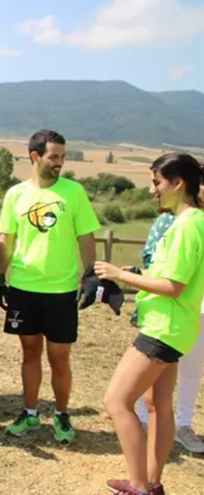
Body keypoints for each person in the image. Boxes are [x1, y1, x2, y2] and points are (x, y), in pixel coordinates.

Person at [98, 153, 204, 495]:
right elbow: (170, 275)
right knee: (156, 405)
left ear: (178, 183)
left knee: (116, 402)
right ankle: (153, 482)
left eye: (157, 182)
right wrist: (138, 274)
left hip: (163, 329)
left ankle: (138, 486)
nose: (152, 190)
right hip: (175, 327)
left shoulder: (187, 226)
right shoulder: (192, 222)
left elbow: (175, 286)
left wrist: (118, 276)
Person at [0, 129, 100, 445]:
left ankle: (62, 414)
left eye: (63, 157)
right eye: (54, 156)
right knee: (29, 353)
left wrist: (91, 275)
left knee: (59, 357)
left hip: (61, 291)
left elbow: (86, 236)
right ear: (35, 156)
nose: (60, 162)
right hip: (24, 288)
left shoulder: (74, 193)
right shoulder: (15, 195)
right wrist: (0, 278)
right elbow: (6, 239)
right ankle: (29, 413)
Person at [132, 198, 204, 454]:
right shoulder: (172, 220)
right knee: (155, 375)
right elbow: (152, 260)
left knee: (192, 370)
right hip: (171, 311)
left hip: (196, 307)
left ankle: (183, 426)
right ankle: (141, 421)